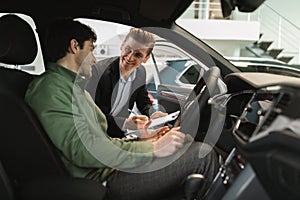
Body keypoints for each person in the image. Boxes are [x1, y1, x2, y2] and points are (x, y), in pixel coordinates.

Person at [25, 18, 219, 200]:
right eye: (91, 50)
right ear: (75, 46)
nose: (93, 59)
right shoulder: (51, 89)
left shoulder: (71, 86)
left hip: (111, 165)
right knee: (202, 155)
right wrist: (152, 148)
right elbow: (84, 149)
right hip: (101, 179)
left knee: (185, 147)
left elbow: (101, 138)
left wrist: (142, 138)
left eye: (138, 54)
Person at [85, 27, 167, 138]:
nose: (129, 57)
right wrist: (125, 123)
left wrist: (153, 114)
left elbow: (143, 102)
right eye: (128, 49)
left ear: (146, 58)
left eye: (137, 55)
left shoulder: (140, 72)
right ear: (122, 45)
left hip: (118, 134)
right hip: (94, 132)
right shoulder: (99, 71)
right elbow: (91, 113)